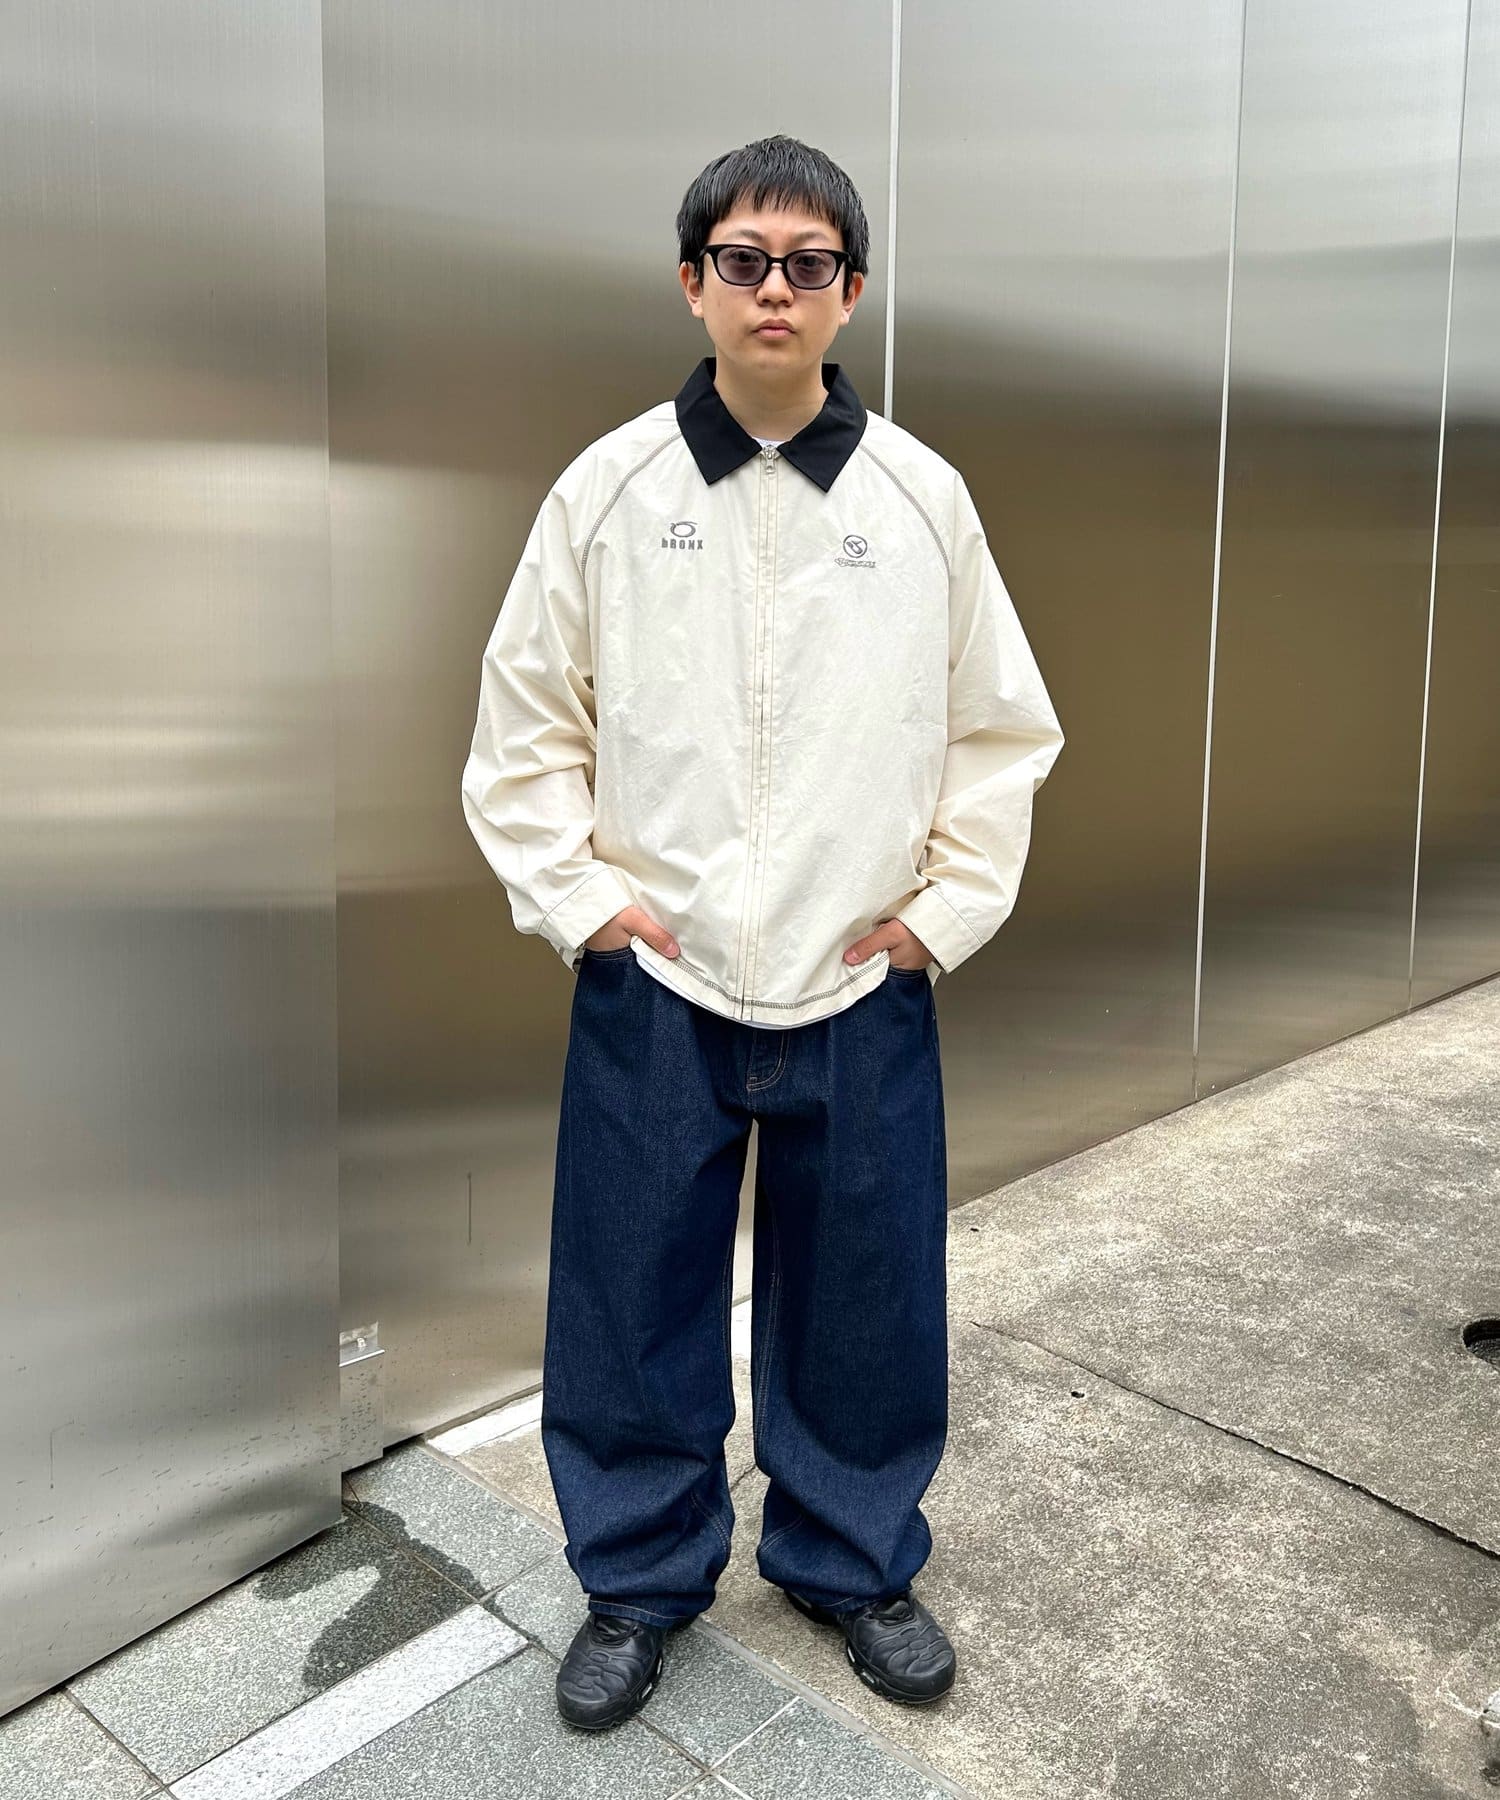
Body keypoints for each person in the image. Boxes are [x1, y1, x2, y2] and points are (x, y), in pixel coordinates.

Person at [460, 133, 1064, 1732]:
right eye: (743, 260)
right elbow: (526, 727)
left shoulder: (921, 499)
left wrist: (939, 918)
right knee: (629, 1293)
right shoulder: (609, 491)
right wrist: (588, 907)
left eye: (808, 263)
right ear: (694, 283)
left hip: (860, 972)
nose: (774, 289)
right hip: (658, 972)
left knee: (867, 1292)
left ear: (851, 291)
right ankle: (638, 1578)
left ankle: (850, 1558)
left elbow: (1000, 729)